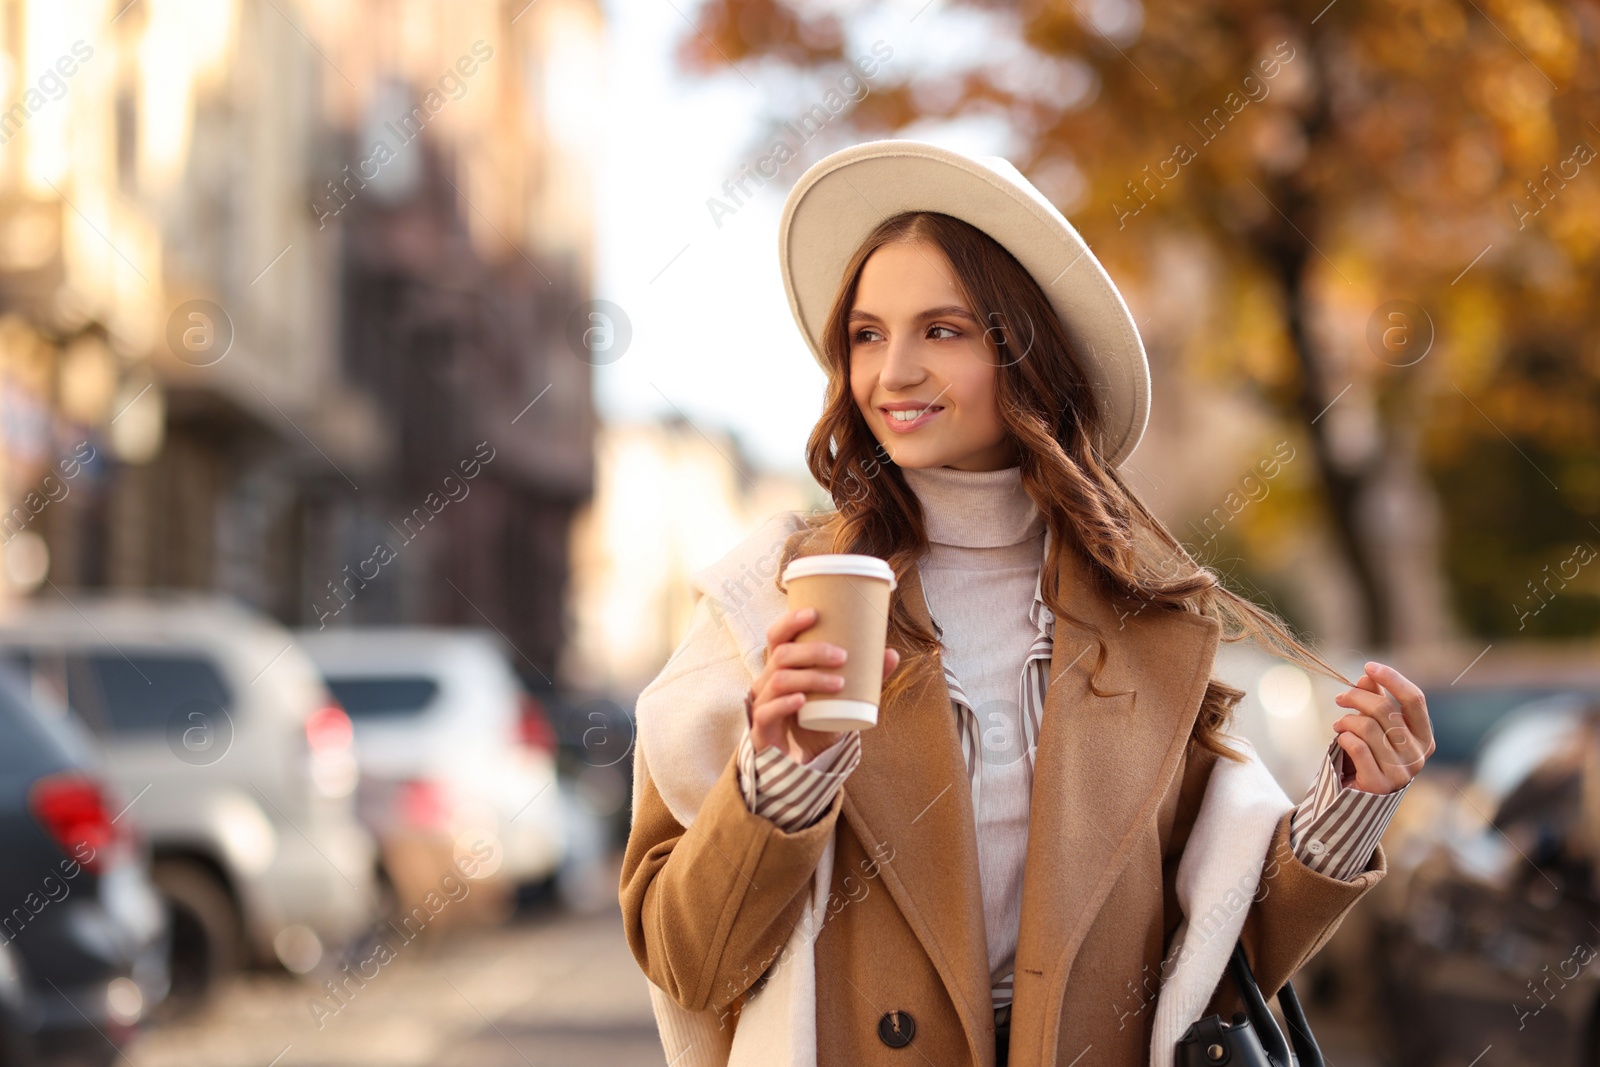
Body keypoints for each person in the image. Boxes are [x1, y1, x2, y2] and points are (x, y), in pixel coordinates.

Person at [620, 139, 1435, 1067]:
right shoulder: (769, 604)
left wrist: (1351, 805)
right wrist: (777, 783)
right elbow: (693, 964)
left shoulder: (1145, 623)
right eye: (868, 334)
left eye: (944, 330)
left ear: (1023, 349)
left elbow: (1211, 958)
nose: (894, 374)